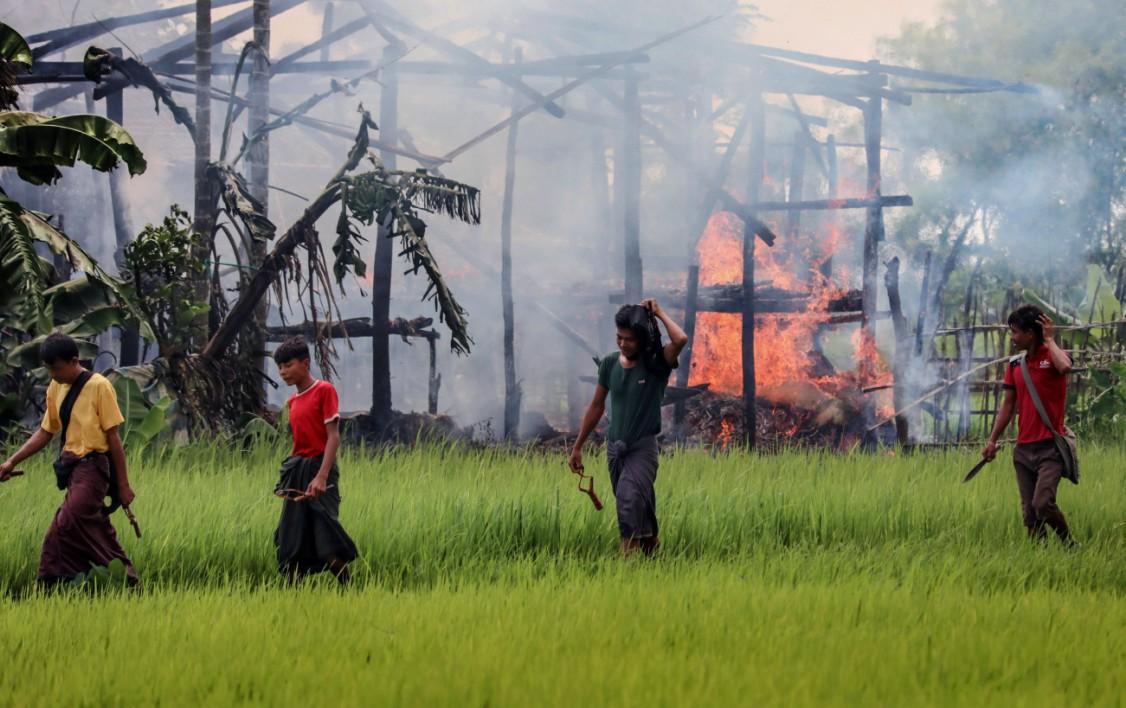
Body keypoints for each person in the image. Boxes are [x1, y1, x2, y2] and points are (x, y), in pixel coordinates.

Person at [0, 333, 139, 586]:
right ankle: (114, 581)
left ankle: (54, 582)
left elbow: (114, 439)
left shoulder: (99, 386)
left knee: (67, 523)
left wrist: (123, 485)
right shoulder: (56, 387)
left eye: (56, 368)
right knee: (85, 527)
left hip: (94, 469)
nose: (52, 374)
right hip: (72, 471)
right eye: (48, 368)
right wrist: (11, 461)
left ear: (75, 360)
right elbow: (45, 432)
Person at [569, 299, 688, 556]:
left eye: (630, 339)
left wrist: (659, 313)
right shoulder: (610, 364)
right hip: (615, 449)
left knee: (627, 502)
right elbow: (596, 406)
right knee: (638, 507)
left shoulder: (657, 364)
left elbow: (680, 340)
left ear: (643, 339)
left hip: (642, 450)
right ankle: (653, 560)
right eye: (619, 337)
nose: (623, 343)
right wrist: (578, 446)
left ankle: (627, 571)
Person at [982, 305, 1075, 544]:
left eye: (1015, 332)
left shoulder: (1053, 358)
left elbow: (1065, 367)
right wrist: (992, 440)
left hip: (1050, 448)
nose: (1012, 338)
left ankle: (1069, 544)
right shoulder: (1014, 366)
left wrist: (1050, 339)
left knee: (1042, 503)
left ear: (1030, 334)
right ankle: (1039, 557)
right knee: (1030, 514)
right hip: (1023, 450)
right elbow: (1008, 406)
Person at [272, 337, 358, 584]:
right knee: (292, 542)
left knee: (327, 543)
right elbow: (299, 443)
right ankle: (292, 607)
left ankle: (352, 592)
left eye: (288, 365)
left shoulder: (324, 391)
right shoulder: (292, 402)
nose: (282, 372)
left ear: (305, 363)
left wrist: (321, 476)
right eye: (280, 367)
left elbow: (333, 437)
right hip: (299, 470)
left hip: (321, 471)